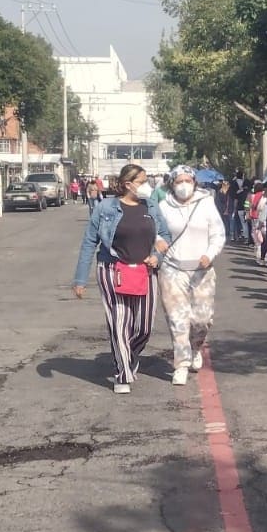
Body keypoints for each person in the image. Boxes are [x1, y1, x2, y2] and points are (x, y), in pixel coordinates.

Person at [72, 164, 162, 394]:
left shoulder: (151, 206)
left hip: (145, 272)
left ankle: (129, 355)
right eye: (142, 181)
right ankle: (122, 374)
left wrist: (157, 255)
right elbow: (89, 242)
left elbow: (166, 234)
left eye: (146, 180)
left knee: (143, 327)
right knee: (119, 321)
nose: (147, 186)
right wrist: (80, 279)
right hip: (113, 270)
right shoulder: (105, 208)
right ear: (127, 184)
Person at [155, 165, 227, 386]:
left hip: (202, 270)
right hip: (172, 269)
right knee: (178, 320)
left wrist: (209, 254)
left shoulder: (206, 204)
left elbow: (218, 234)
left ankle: (196, 347)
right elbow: (154, 230)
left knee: (201, 320)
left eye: (187, 180)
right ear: (172, 183)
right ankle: (181, 365)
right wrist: (157, 241)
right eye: (179, 181)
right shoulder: (163, 206)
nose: (183, 185)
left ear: (195, 182)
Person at [230, 169, 250, 242]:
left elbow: (233, 196)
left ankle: (237, 235)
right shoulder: (246, 184)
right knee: (245, 223)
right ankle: (246, 237)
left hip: (239, 206)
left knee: (238, 221)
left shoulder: (233, 183)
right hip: (247, 206)